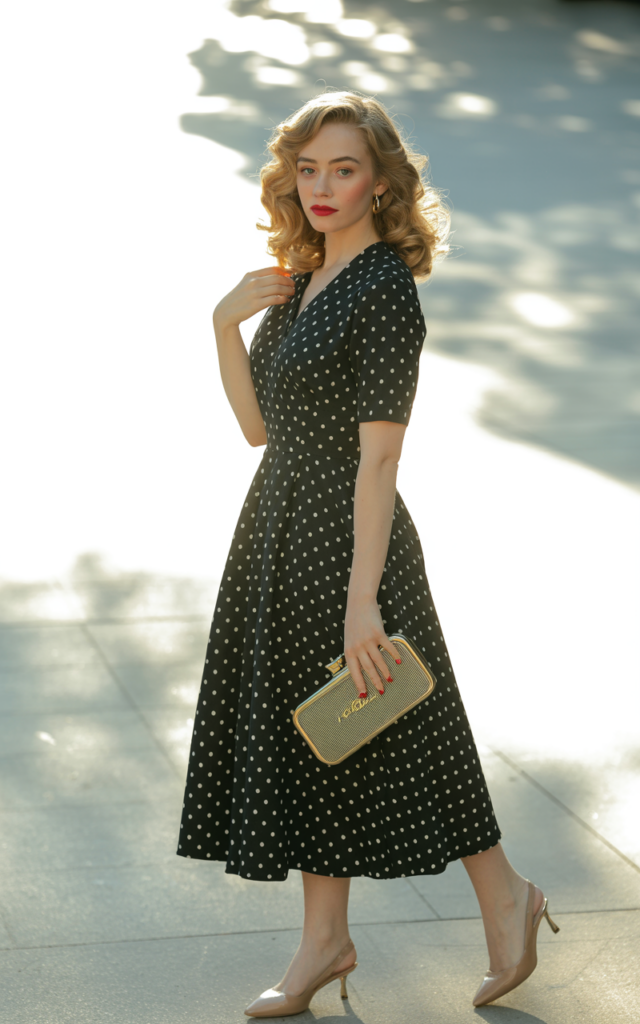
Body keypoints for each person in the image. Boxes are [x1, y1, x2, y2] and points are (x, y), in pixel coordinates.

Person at [177, 91, 559, 1015]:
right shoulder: (302, 278)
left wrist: (363, 598)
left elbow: (381, 456)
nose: (320, 186)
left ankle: (494, 901)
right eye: (307, 168)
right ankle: (338, 939)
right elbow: (258, 428)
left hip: (352, 541)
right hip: (279, 528)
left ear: (380, 183)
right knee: (329, 733)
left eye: (343, 169)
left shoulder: (383, 288)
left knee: (399, 722)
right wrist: (222, 323)